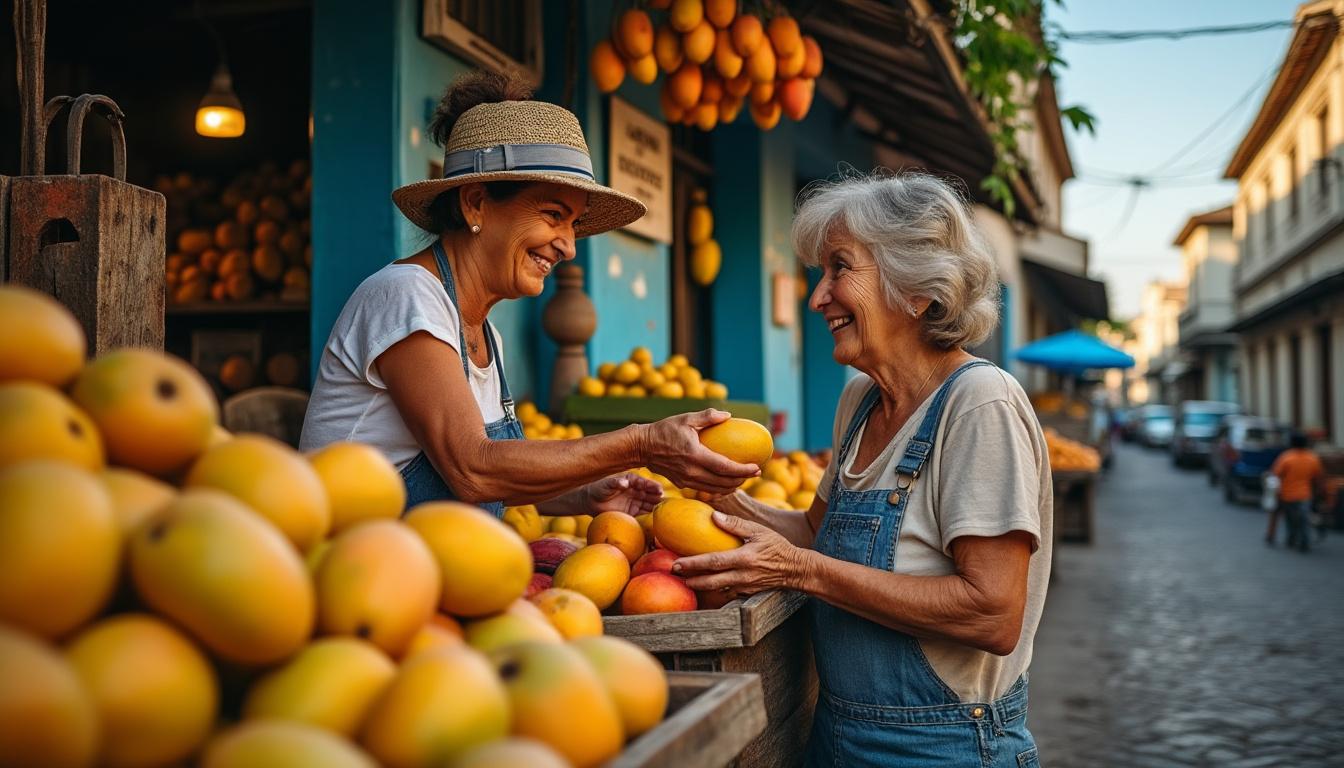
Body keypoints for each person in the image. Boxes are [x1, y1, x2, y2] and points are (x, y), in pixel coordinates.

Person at [674, 172, 1052, 767]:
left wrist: (802, 570)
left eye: (839, 269)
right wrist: (717, 495)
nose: (817, 297)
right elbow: (811, 533)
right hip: (837, 733)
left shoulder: (979, 402)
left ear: (917, 290)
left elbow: (992, 612)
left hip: (943, 745)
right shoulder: (860, 399)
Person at [300, 70, 757, 517]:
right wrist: (641, 443)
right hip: (359, 575)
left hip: (435, 569)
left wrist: (582, 496)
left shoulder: (485, 336)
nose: (568, 246)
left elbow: (495, 477)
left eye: (574, 224)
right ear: (476, 202)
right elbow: (471, 469)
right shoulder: (405, 295)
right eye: (553, 214)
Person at [1268, 432, 1324, 552]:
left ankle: (1291, 538)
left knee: (1290, 518)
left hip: (1287, 495)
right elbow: (1318, 477)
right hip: (1305, 494)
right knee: (1304, 518)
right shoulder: (1312, 458)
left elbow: (1276, 474)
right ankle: (1304, 540)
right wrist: (1318, 493)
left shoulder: (1286, 457)